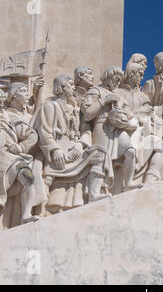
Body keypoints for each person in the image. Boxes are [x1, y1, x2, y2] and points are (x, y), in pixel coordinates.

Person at [32, 75, 108, 214]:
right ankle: (39, 210)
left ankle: (93, 194)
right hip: (57, 150)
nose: (74, 87)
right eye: (70, 84)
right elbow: (43, 131)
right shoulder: (50, 106)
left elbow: (86, 131)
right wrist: (55, 150)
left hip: (74, 149)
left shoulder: (77, 110)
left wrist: (81, 144)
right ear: (61, 88)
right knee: (47, 175)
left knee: (100, 155)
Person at [0, 88, 44, 225]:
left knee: (28, 177)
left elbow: (30, 134)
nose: (1, 105)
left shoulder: (6, 117)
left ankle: (26, 215)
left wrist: (21, 146)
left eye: (2, 102)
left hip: (12, 158)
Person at [81, 67, 141, 195]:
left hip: (118, 129)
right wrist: (104, 101)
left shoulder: (119, 96)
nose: (117, 82)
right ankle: (94, 193)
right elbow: (87, 114)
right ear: (108, 77)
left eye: (119, 80)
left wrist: (125, 120)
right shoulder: (95, 91)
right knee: (101, 157)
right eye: (115, 79)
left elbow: (130, 115)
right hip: (101, 126)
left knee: (130, 151)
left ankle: (128, 182)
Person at [117, 63, 163, 184]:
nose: (141, 77)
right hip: (123, 131)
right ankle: (128, 181)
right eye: (139, 74)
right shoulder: (118, 92)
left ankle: (151, 178)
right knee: (131, 151)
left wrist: (159, 112)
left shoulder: (143, 96)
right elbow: (118, 113)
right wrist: (137, 113)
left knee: (161, 145)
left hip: (140, 131)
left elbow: (149, 113)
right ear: (131, 74)